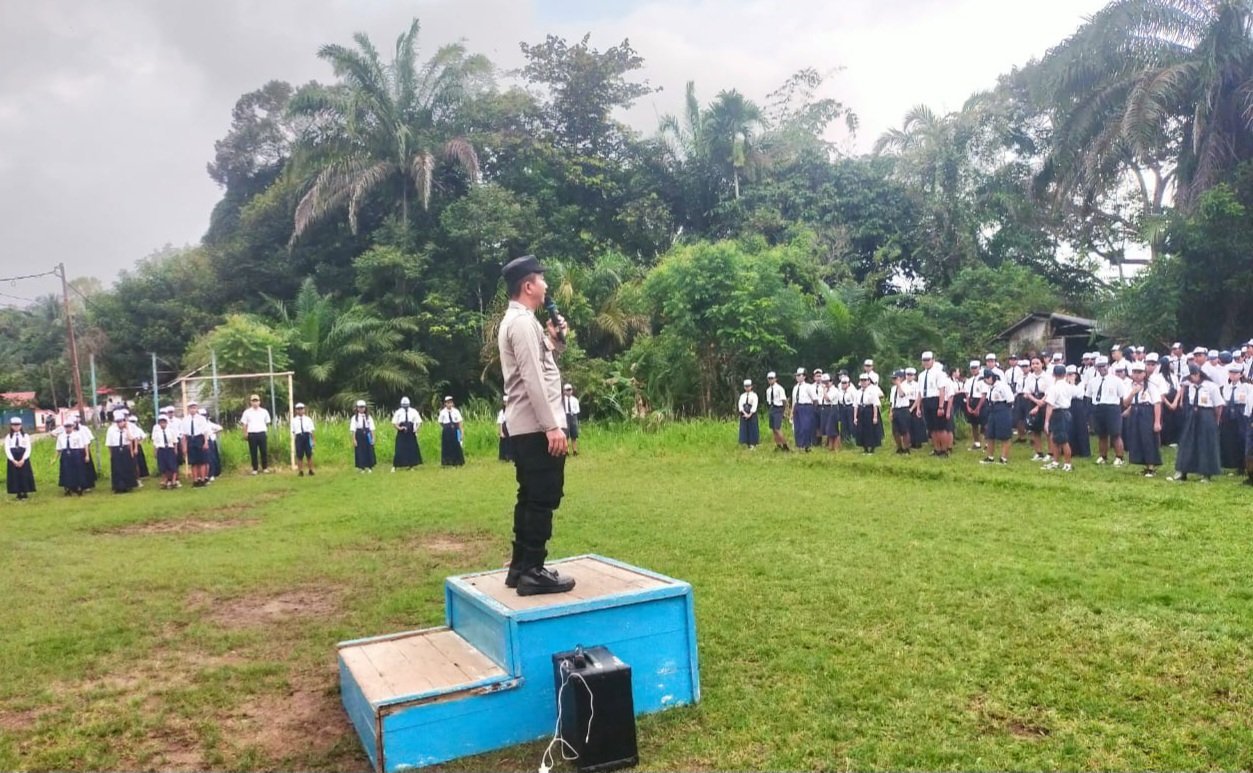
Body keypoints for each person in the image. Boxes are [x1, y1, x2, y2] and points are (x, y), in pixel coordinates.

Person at [498, 254, 575, 596]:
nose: (546, 285)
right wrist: (551, 427)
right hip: (536, 427)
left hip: (527, 426)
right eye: (541, 279)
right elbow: (532, 379)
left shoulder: (524, 322)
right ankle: (533, 570)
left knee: (530, 495)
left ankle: (520, 567)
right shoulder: (521, 324)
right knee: (543, 497)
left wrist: (555, 339)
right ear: (528, 286)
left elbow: (542, 366)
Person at [1173, 365, 1223, 482]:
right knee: (1187, 442)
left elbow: (1218, 405)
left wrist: (1216, 420)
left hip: (1206, 414)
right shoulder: (1191, 387)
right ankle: (1183, 470)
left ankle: (1206, 473)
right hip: (1193, 414)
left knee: (1205, 443)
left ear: (1197, 374)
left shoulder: (1211, 387)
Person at [1122, 361, 1163, 477]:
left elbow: (1157, 403)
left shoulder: (1150, 385)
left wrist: (1157, 422)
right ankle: (1143, 463)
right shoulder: (1129, 385)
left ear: (1144, 373)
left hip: (1147, 411)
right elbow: (1125, 403)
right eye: (1134, 372)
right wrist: (1132, 393)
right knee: (1137, 438)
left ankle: (1151, 466)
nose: (1137, 375)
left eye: (1139, 372)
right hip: (1135, 411)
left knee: (1148, 439)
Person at [1088, 356, 1128, 466]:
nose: (1102, 368)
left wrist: (1119, 409)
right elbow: (1089, 396)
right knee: (1101, 434)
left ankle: (1119, 457)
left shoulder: (1116, 380)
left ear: (1108, 366)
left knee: (1115, 434)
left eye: (1104, 366)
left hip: (1112, 407)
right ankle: (1103, 456)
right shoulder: (1093, 381)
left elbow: (1122, 396)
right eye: (1099, 366)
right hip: (1098, 407)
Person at [1041, 364, 1077, 472]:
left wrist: (1046, 421)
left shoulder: (1054, 388)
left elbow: (1050, 405)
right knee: (1055, 438)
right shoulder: (1069, 386)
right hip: (1066, 412)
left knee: (1063, 440)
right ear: (1065, 374)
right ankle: (1055, 461)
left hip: (1058, 413)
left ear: (1053, 374)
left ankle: (1068, 463)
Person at [979, 369, 1016, 465]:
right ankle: (990, 457)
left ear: (991, 377)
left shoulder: (1002, 386)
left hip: (1002, 409)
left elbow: (1010, 400)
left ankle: (1003, 458)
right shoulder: (990, 387)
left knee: (1005, 435)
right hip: (992, 409)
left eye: (986, 378)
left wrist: (1004, 410)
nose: (985, 381)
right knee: (990, 434)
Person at [1219, 363, 1249, 473]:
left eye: (1236, 373)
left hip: (1241, 413)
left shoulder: (1247, 387)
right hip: (1227, 413)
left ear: (1241, 375)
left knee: (1241, 438)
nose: (1233, 375)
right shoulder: (1225, 387)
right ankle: (1229, 463)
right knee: (1228, 439)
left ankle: (1242, 465)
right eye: (1231, 373)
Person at [105, 410, 138, 494]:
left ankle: (128, 485)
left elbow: (131, 438)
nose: (120, 423)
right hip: (116, 449)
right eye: (118, 422)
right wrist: (111, 454)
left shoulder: (128, 428)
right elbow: (109, 443)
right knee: (117, 469)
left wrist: (127, 428)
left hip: (125, 448)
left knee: (127, 468)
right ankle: (118, 486)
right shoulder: (111, 429)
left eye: (121, 421)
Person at [240, 394, 272, 475]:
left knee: (263, 451)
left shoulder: (264, 411)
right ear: (251, 402)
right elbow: (244, 424)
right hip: (252, 434)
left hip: (261, 433)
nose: (255, 403)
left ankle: (265, 468)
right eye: (253, 401)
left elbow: (267, 422)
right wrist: (245, 433)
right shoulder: (247, 412)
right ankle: (255, 469)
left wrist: (265, 431)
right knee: (253, 452)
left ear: (259, 402)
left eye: (256, 401)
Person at [852, 373, 884, 454]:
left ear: (868, 381)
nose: (863, 382)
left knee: (871, 430)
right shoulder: (858, 392)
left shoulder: (872, 391)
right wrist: (855, 417)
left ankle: (872, 449)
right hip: (861, 410)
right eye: (862, 380)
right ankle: (865, 448)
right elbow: (855, 405)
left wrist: (875, 417)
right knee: (861, 430)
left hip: (869, 410)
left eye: (865, 380)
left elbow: (875, 404)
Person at [182, 401, 211, 487]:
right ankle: (195, 480)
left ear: (196, 408)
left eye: (194, 408)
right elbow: (184, 435)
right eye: (191, 408)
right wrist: (184, 446)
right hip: (191, 439)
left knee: (202, 461)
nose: (192, 410)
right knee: (193, 462)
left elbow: (205, 431)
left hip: (199, 438)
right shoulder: (185, 420)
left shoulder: (201, 419)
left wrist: (206, 442)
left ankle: (202, 479)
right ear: (188, 409)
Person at [6, 417, 34, 501]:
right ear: (11, 426)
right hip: (13, 458)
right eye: (14, 425)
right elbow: (7, 449)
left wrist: (23, 459)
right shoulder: (9, 437)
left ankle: (25, 492)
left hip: (23, 457)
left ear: (21, 425)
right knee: (15, 476)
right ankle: (18, 493)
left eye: (18, 425)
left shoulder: (25, 436)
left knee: (24, 475)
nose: (16, 427)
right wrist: (13, 460)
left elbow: (28, 448)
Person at [392, 397, 423, 471]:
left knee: (411, 448)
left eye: (406, 405)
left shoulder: (413, 411)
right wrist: (399, 428)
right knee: (399, 449)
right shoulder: (398, 412)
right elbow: (394, 422)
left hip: (411, 431)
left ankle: (411, 465)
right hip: (401, 432)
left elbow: (419, 421)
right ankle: (395, 466)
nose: (405, 407)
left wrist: (416, 429)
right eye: (404, 405)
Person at [151, 414, 181, 489]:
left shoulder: (171, 430)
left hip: (170, 449)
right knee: (163, 466)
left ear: (166, 422)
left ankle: (174, 480)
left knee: (172, 465)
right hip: (161, 449)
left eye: (164, 422)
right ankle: (165, 480)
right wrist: (155, 451)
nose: (162, 424)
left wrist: (175, 450)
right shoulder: (157, 432)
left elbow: (175, 441)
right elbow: (155, 442)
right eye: (161, 422)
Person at [790, 368, 817, 452]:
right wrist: (792, 412)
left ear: (804, 376)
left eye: (799, 375)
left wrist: (812, 409)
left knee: (806, 427)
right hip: (797, 406)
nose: (797, 377)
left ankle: (807, 445)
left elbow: (815, 399)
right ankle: (799, 445)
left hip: (806, 406)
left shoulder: (808, 386)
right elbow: (794, 401)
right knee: (798, 427)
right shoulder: (795, 387)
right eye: (796, 376)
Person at [888, 370, 914, 454]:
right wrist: (891, 412)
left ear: (901, 378)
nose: (894, 380)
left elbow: (901, 394)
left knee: (905, 430)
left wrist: (899, 385)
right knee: (895, 431)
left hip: (903, 409)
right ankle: (899, 448)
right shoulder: (893, 389)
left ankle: (906, 448)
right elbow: (892, 402)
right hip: (895, 409)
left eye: (895, 378)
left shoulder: (906, 386)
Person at [764, 372, 789, 452]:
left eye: (772, 378)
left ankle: (785, 446)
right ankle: (778, 445)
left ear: (775, 379)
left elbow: (784, 400)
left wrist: (784, 411)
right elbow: (768, 401)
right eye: (769, 378)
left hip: (778, 408)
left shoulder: (779, 388)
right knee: (773, 429)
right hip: (772, 408)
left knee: (777, 428)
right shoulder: (768, 390)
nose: (770, 380)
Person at [437, 396, 465, 467]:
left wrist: (461, 433)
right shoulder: (442, 412)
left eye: (450, 403)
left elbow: (460, 422)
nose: (449, 404)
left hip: (456, 430)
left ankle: (458, 462)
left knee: (457, 445)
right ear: (445, 404)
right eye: (448, 403)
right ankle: (447, 462)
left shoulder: (456, 411)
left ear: (452, 403)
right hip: (447, 431)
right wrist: (447, 427)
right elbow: (440, 422)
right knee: (447, 446)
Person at [350, 400, 377, 472]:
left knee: (369, 450)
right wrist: (354, 439)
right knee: (360, 451)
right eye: (360, 407)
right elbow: (353, 429)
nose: (361, 409)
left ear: (365, 408)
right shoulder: (354, 418)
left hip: (367, 434)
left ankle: (370, 467)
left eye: (363, 407)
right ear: (357, 408)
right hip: (359, 435)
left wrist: (373, 437)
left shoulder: (369, 417)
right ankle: (362, 467)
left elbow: (372, 428)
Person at [292, 402, 316, 477]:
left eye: (301, 409)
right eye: (298, 409)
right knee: (299, 455)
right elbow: (293, 431)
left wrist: (313, 440)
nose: (300, 410)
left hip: (307, 436)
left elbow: (311, 430)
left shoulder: (308, 419)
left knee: (309, 454)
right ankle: (300, 471)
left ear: (304, 410)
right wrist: (295, 441)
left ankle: (311, 470)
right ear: (296, 410)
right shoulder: (294, 420)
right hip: (299, 437)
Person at [738, 379, 760, 450]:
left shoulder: (754, 395)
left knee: (752, 428)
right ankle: (746, 442)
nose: (747, 388)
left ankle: (753, 443)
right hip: (744, 412)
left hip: (751, 413)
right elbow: (740, 405)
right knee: (744, 428)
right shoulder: (742, 396)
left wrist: (750, 414)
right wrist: (744, 413)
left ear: (751, 386)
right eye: (746, 386)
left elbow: (755, 405)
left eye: (748, 386)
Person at [127, 415, 149, 485]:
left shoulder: (137, 429)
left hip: (137, 445)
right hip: (130, 444)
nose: (132, 423)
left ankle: (140, 476)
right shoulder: (128, 428)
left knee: (139, 461)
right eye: (131, 421)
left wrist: (140, 442)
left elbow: (143, 436)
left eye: (133, 421)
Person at [562, 384, 581, 456]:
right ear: (564, 391)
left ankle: (575, 450)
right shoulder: (562, 400)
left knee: (574, 434)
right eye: (567, 390)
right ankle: (566, 451)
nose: (569, 391)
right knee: (565, 434)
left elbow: (578, 409)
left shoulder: (575, 399)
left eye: (570, 389)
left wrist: (573, 412)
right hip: (565, 416)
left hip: (573, 416)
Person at [497, 396, 512, 462]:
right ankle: (504, 457)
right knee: (504, 443)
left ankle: (511, 456)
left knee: (511, 443)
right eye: (505, 402)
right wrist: (501, 432)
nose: (506, 403)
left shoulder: (512, 410)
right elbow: (500, 422)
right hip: (505, 429)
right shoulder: (502, 412)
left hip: (511, 428)